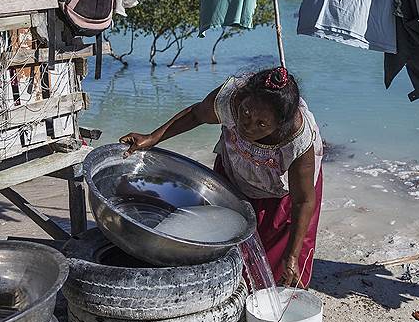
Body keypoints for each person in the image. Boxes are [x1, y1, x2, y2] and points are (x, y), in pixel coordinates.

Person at [121, 67, 323, 288]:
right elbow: (196, 114)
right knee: (224, 242)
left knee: (275, 264)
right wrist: (152, 138)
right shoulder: (231, 98)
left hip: (281, 192)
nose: (249, 125)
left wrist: (292, 255)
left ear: (279, 124)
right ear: (243, 99)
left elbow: (303, 201)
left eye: (262, 124)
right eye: (246, 113)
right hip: (235, 171)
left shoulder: (296, 140)